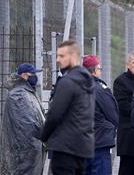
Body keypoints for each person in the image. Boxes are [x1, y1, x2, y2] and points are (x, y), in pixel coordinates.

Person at [40, 40, 95, 175]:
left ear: (74, 56)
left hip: (65, 147)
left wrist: (43, 136)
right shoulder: (87, 80)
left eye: (62, 56)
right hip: (82, 146)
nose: (58, 60)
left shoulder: (67, 81)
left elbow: (55, 114)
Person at [0, 63, 45, 175]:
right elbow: (29, 124)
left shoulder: (27, 92)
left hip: (29, 148)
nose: (35, 77)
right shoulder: (19, 95)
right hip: (25, 150)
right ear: (25, 75)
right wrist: (45, 132)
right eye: (33, 74)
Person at [82, 54, 119, 175]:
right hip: (99, 142)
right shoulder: (99, 90)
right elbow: (113, 115)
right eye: (99, 69)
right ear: (95, 70)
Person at [113, 51, 134, 175]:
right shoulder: (120, 82)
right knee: (128, 169)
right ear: (128, 64)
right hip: (129, 135)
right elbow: (124, 107)